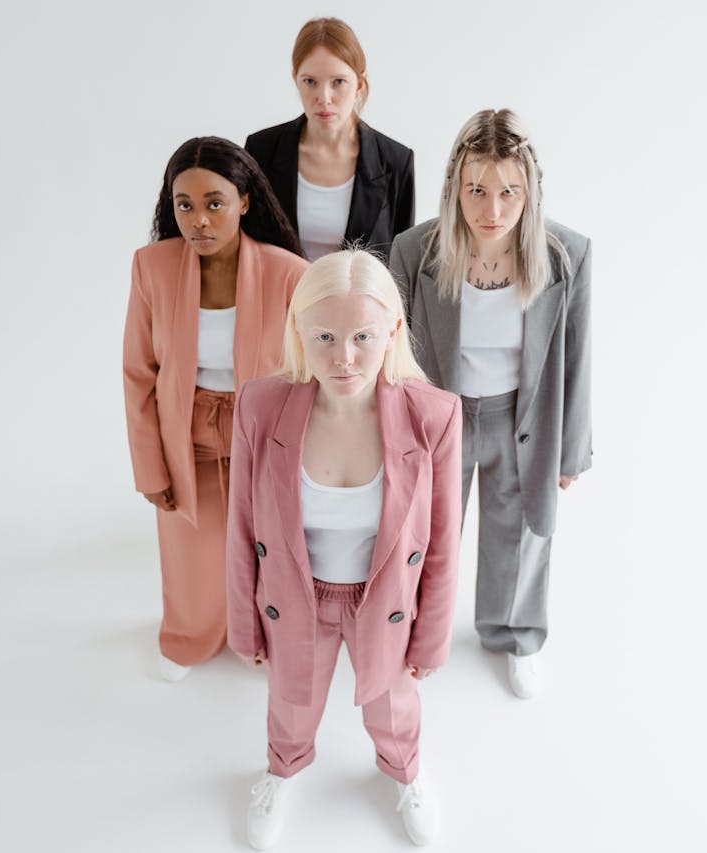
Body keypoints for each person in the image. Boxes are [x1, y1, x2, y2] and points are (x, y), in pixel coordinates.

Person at [226, 250, 461, 848]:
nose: (344, 357)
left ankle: (405, 773)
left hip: (382, 598)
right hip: (296, 594)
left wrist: (431, 637)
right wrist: (245, 627)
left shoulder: (433, 415)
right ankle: (283, 769)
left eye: (362, 336)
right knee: (291, 699)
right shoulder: (261, 405)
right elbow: (242, 526)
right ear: (298, 330)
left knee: (392, 704)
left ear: (393, 332)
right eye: (324, 336)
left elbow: (440, 545)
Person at [388, 109, 592, 700]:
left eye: (509, 193)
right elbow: (394, 356)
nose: (492, 211)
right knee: (426, 533)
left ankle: (514, 635)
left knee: (519, 531)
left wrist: (571, 450)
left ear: (530, 191)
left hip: (519, 418)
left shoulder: (566, 255)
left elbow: (577, 357)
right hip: (439, 420)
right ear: (455, 186)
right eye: (476, 190)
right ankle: (419, 634)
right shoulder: (414, 252)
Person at [124, 137, 307, 682]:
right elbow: (138, 374)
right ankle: (188, 636)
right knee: (191, 550)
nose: (198, 220)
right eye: (184, 205)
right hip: (188, 430)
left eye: (214, 203)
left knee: (272, 546)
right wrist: (149, 468)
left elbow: (307, 374)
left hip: (266, 430)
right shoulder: (152, 267)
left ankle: (271, 638)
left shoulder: (287, 272)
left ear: (245, 201)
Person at [245, 17, 415, 262]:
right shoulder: (261, 150)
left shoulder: (395, 161)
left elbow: (402, 266)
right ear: (295, 79)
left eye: (338, 82)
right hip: (281, 300)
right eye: (310, 82)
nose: (324, 97)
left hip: (361, 300)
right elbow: (247, 248)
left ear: (359, 83)